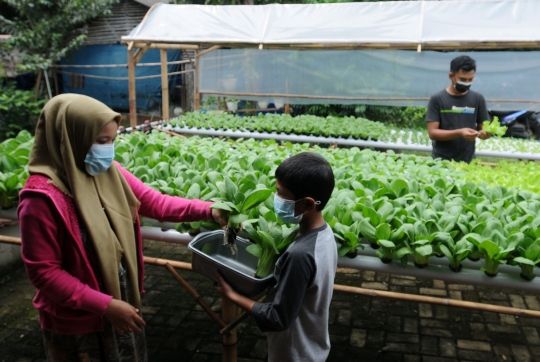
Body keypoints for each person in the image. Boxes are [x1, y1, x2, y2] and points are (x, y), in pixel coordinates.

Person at [17, 94, 229, 361]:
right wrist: (105, 306)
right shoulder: (40, 198)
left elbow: (157, 204)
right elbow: (44, 273)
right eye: (101, 141)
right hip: (78, 320)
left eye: (112, 141)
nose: (108, 150)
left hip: (120, 303)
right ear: (70, 138)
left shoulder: (109, 173)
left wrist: (208, 209)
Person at [214, 152, 337, 362]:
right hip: (313, 347)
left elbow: (278, 317)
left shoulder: (300, 255)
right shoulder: (324, 235)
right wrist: (228, 229)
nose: (276, 199)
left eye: (282, 194)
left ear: (308, 204)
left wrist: (232, 295)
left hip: (294, 353)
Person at [426, 55, 491, 163]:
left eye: (470, 79)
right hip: (441, 161)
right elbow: (432, 133)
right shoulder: (437, 99)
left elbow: (484, 128)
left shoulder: (477, 99)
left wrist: (485, 134)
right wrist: (460, 132)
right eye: (462, 79)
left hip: (468, 161)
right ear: (451, 76)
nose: (466, 83)